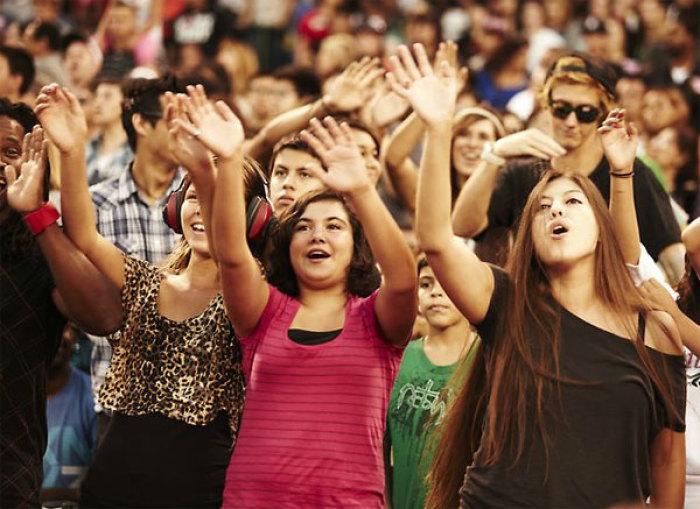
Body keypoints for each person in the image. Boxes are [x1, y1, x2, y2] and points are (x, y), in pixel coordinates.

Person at [390, 42, 686, 508]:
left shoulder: (654, 328)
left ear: (602, 229)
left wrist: (623, 173)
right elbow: (438, 238)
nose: (555, 212)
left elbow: (667, 459)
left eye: (572, 203)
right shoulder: (505, 299)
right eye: (542, 208)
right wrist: (439, 127)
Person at [33, 83, 268, 507]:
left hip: (198, 490)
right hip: (112, 481)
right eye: (192, 197)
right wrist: (71, 151)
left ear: (251, 218)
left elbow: (232, 256)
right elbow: (84, 235)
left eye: (216, 199)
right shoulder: (150, 282)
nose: (201, 210)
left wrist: (205, 169)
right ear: (176, 208)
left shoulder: (252, 292)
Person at [184, 102, 416, 505]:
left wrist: (361, 190)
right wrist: (230, 161)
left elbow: (403, 278)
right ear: (288, 246)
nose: (317, 235)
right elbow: (233, 254)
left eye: (334, 226)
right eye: (304, 227)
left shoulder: (374, 319)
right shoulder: (266, 311)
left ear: (355, 245)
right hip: (253, 499)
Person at [452, 52, 686, 284]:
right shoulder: (521, 172)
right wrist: (494, 154)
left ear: (602, 114)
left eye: (585, 112)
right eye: (561, 109)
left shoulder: (628, 172)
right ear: (547, 106)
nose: (571, 122)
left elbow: (672, 255)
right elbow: (463, 226)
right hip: (536, 310)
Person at [1, 99, 121, 508]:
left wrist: (37, 215)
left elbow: (105, 316)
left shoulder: (41, 252)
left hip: (8, 475)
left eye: (11, 151)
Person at [385, 256, 479, 509]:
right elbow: (379, 451)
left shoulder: (487, 360)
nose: (436, 293)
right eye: (426, 284)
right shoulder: (398, 358)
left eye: (447, 283)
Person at [42, 323, 97, 504]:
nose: (59, 336)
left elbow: (107, 477)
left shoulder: (95, 396)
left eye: (66, 327)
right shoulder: (11, 401)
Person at [84, 77, 133, 185]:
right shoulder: (86, 148)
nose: (97, 103)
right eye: (96, 96)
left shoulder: (135, 152)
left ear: (125, 104)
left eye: (107, 97)